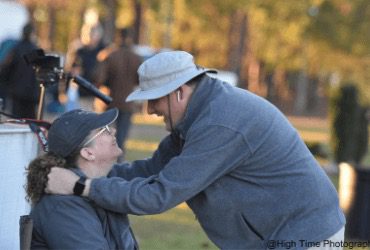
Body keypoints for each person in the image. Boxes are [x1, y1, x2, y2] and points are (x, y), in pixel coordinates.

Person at [46, 51, 346, 249]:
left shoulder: (220, 124)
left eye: (155, 100)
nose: (150, 110)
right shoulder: (195, 117)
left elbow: (157, 195)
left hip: (307, 237)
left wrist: (80, 186)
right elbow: (150, 170)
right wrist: (76, 171)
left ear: (179, 92)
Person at [26, 108, 139, 249]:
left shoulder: (94, 188)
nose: (114, 131)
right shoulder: (63, 207)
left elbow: (153, 177)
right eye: (104, 129)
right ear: (87, 152)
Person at [95, 27, 142, 158]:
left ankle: (103, 163)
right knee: (121, 139)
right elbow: (140, 79)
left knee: (104, 136)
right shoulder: (136, 57)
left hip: (109, 102)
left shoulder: (108, 55)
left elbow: (99, 79)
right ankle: (119, 164)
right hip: (128, 102)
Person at [0, 23, 39, 118]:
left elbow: (6, 68)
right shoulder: (35, 50)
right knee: (30, 121)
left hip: (17, 92)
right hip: (31, 93)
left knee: (17, 120)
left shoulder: (16, 48)